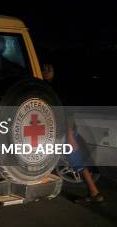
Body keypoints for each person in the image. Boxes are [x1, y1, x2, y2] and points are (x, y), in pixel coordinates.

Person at [41, 60, 104, 204]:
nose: (45, 71)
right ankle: (94, 193)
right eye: (43, 68)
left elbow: (69, 112)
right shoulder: (46, 86)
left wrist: (70, 135)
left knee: (76, 160)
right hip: (55, 130)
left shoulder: (60, 88)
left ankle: (94, 193)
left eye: (48, 68)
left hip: (64, 130)